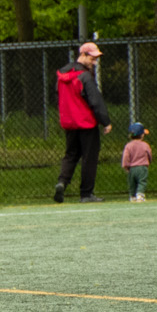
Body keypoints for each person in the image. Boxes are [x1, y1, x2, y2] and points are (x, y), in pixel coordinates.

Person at [53, 40, 113, 203]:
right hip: (86, 122)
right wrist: (105, 121)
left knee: (71, 155)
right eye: (92, 58)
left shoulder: (62, 75)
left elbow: (58, 96)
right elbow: (95, 100)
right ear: (83, 55)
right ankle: (86, 193)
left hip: (69, 122)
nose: (94, 62)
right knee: (89, 157)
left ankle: (62, 182)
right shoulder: (84, 76)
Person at [121, 121, 153, 202]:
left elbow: (126, 156)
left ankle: (132, 196)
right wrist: (149, 162)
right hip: (142, 167)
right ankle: (140, 194)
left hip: (132, 168)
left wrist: (125, 166)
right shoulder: (145, 145)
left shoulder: (128, 146)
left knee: (132, 183)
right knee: (142, 182)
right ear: (142, 135)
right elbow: (149, 154)